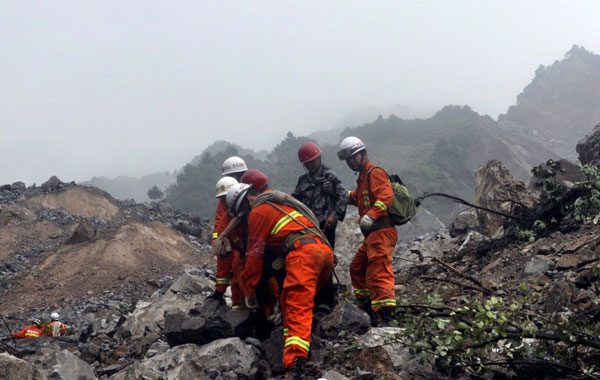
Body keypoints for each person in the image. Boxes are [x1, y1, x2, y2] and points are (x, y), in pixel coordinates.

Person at [227, 183, 334, 379]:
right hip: (323, 252)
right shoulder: (278, 202)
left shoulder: (258, 212)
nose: (244, 215)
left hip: (304, 254)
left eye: (242, 211)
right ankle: (300, 345)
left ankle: (295, 366)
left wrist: (249, 290)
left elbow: (254, 255)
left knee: (296, 308)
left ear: (245, 203)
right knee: (288, 301)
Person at [337, 136, 397, 327]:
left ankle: (388, 316)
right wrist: (340, 195)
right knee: (357, 268)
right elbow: (358, 197)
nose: (351, 162)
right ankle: (369, 309)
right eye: (349, 160)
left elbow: (386, 195)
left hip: (381, 230)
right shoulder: (363, 177)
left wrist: (372, 214)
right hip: (372, 234)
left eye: (354, 157)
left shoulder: (375, 172)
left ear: (363, 154)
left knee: (379, 271)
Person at [292, 142, 347, 309]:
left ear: (319, 158)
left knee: (326, 262)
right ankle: (312, 300)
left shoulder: (330, 176)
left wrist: (335, 216)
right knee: (310, 262)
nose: (310, 165)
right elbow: (295, 199)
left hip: (325, 226)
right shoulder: (303, 180)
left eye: (312, 161)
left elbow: (343, 196)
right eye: (307, 163)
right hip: (308, 227)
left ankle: (326, 303)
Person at [208, 176, 240, 303]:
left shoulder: (251, 209)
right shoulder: (227, 213)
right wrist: (219, 290)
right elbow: (223, 256)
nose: (224, 202)